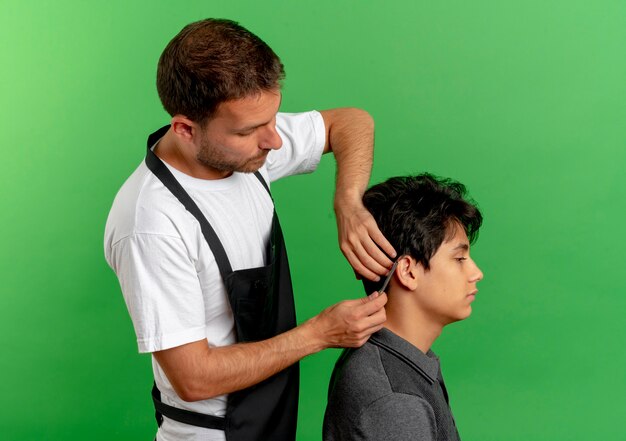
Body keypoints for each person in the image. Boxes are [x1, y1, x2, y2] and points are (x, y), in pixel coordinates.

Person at [104, 18, 396, 441]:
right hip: (213, 433)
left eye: (273, 119)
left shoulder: (244, 149)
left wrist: (348, 201)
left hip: (271, 417)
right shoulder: (151, 223)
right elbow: (194, 378)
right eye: (248, 131)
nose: (275, 142)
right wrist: (321, 333)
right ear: (184, 128)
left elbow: (352, 121)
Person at [323, 173, 484, 441]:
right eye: (459, 258)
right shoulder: (394, 401)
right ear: (408, 272)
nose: (476, 272)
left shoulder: (400, 358)